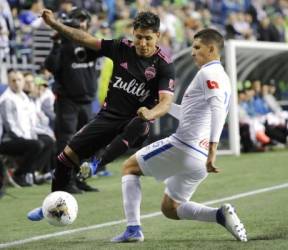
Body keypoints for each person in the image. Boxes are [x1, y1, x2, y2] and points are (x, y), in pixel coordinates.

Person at [27, 10, 175, 220]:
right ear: (133, 33)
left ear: (157, 36)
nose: (142, 43)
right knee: (63, 159)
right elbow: (85, 38)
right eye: (139, 37)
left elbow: (166, 102)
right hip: (107, 117)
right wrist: (55, 24)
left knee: (140, 123)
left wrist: (150, 112)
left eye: (148, 38)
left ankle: (98, 162)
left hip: (134, 123)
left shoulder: (164, 64)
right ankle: (51, 206)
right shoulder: (121, 47)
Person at [110, 29, 247, 243]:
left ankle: (133, 229)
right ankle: (219, 215)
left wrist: (214, 150)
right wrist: (158, 105)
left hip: (185, 146)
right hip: (198, 158)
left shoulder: (208, 74)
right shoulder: (222, 77)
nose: (192, 53)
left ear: (211, 49)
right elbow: (191, 113)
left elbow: (218, 109)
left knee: (129, 167)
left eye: (197, 47)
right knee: (170, 208)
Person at [44, 7, 100, 193]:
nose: (81, 23)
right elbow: (51, 66)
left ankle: (79, 179)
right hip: (67, 101)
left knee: (87, 143)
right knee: (66, 143)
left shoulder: (90, 43)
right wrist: (57, 44)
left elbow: (104, 49)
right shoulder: (63, 43)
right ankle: (65, 183)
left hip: (86, 101)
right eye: (78, 19)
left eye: (84, 20)